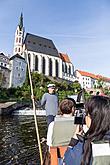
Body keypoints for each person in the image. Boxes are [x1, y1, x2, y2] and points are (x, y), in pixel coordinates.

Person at [63, 95, 110, 165]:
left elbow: (66, 161)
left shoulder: (81, 149)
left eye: (86, 114)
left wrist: (73, 142)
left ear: (92, 119)